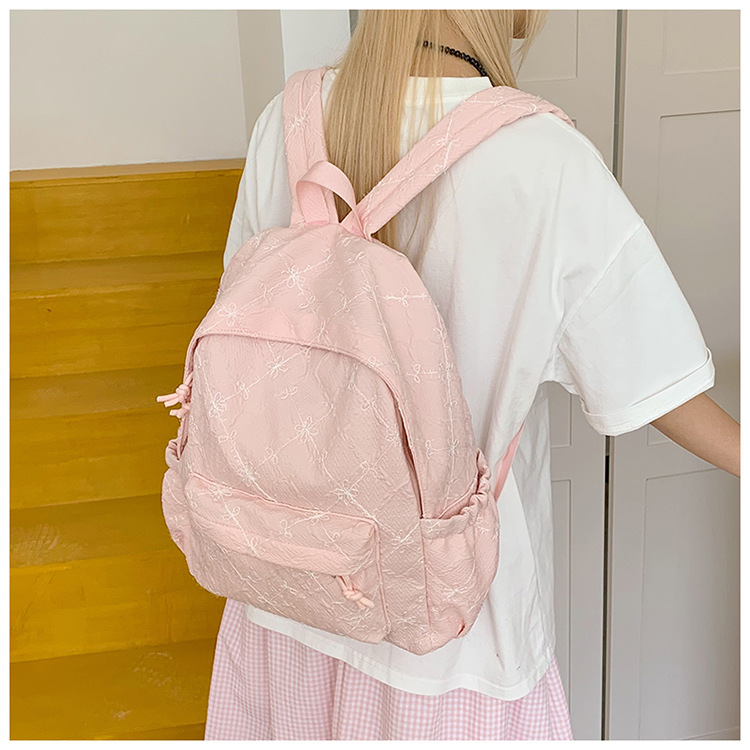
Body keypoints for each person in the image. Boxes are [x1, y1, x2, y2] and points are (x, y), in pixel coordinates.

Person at [203, 10, 740, 741]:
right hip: (449, 648)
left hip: (282, 599)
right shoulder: (543, 159)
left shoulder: (287, 119)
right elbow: (657, 383)